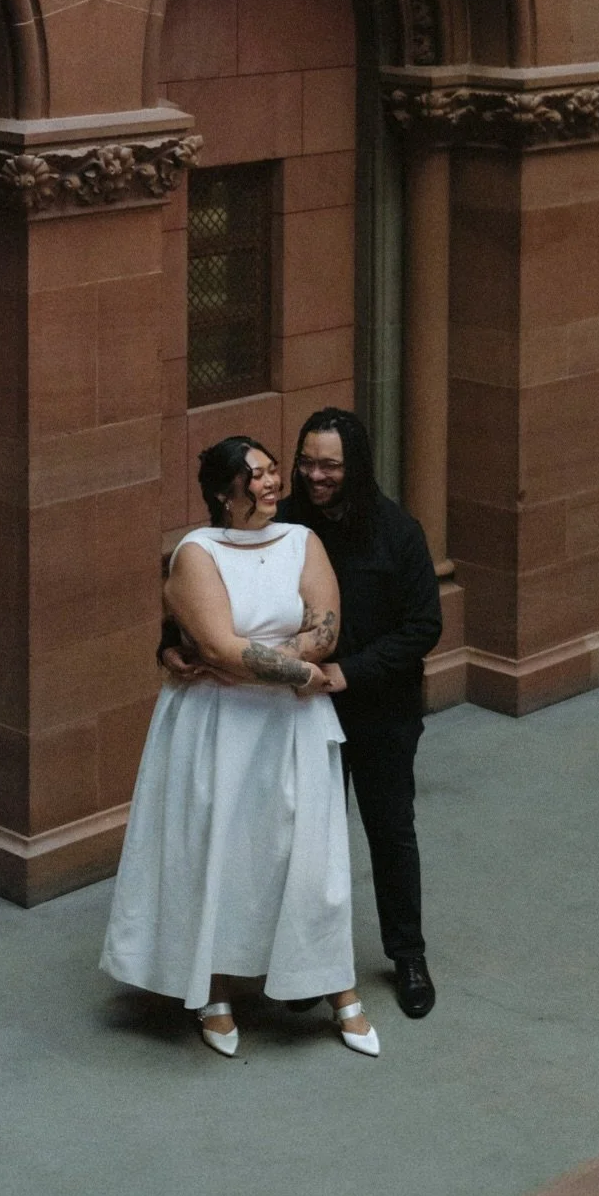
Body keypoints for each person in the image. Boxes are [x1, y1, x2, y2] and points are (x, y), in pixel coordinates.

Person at [101, 435, 381, 1059]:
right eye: (256, 475)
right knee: (220, 853)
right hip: (219, 727)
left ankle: (335, 987)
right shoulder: (196, 553)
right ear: (225, 492)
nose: (271, 483)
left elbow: (324, 628)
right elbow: (219, 646)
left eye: (273, 471)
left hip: (291, 725)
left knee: (310, 858)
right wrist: (289, 670)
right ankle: (216, 990)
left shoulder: (303, 541)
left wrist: (275, 665)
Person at [163, 408, 442, 1018]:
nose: (314, 476)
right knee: (297, 842)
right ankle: (302, 966)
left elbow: (425, 626)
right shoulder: (281, 523)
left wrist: (349, 670)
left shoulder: (398, 532)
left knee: (390, 833)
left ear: (356, 466)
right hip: (292, 713)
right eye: (307, 463)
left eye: (330, 465)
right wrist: (172, 645)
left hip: (379, 713)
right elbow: (221, 594)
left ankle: (408, 957)